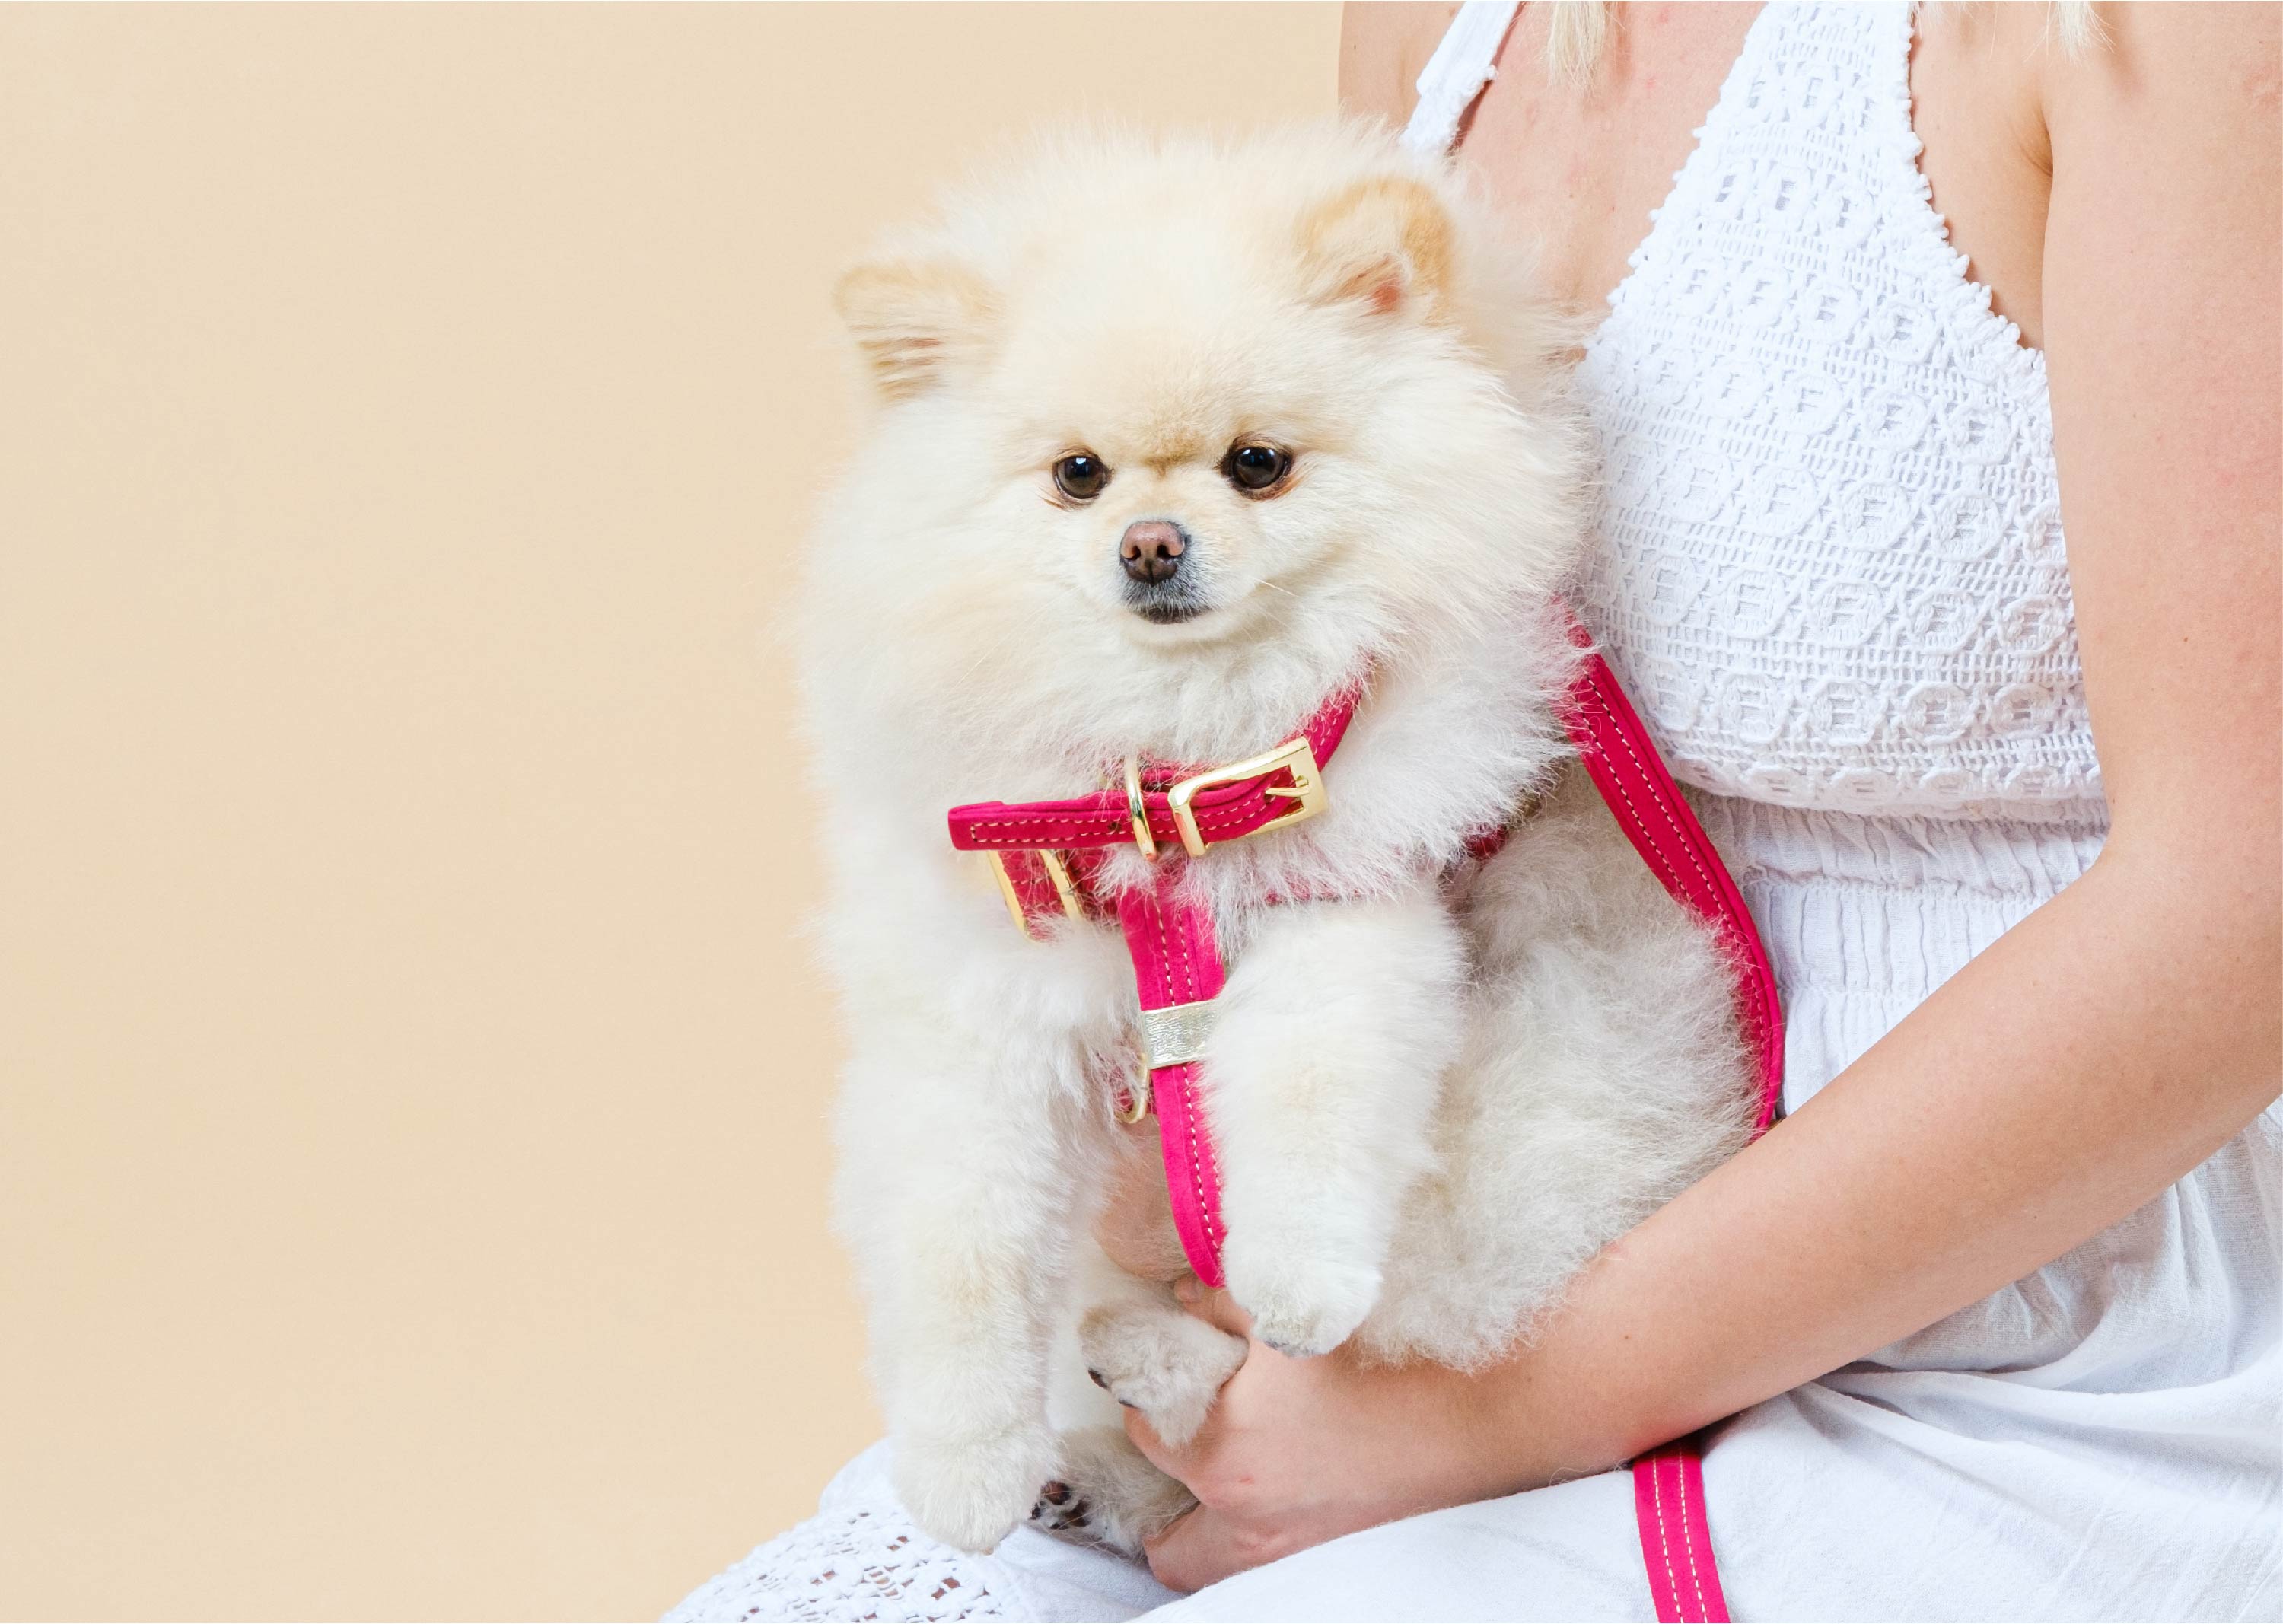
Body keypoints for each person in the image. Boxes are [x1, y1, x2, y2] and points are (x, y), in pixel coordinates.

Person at [668, 4, 2280, 1618]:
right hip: (1488, 1194)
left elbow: (2246, 906)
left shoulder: (2150, 38)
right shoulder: (1454, 29)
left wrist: (1477, 1417)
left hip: (2053, 1305)